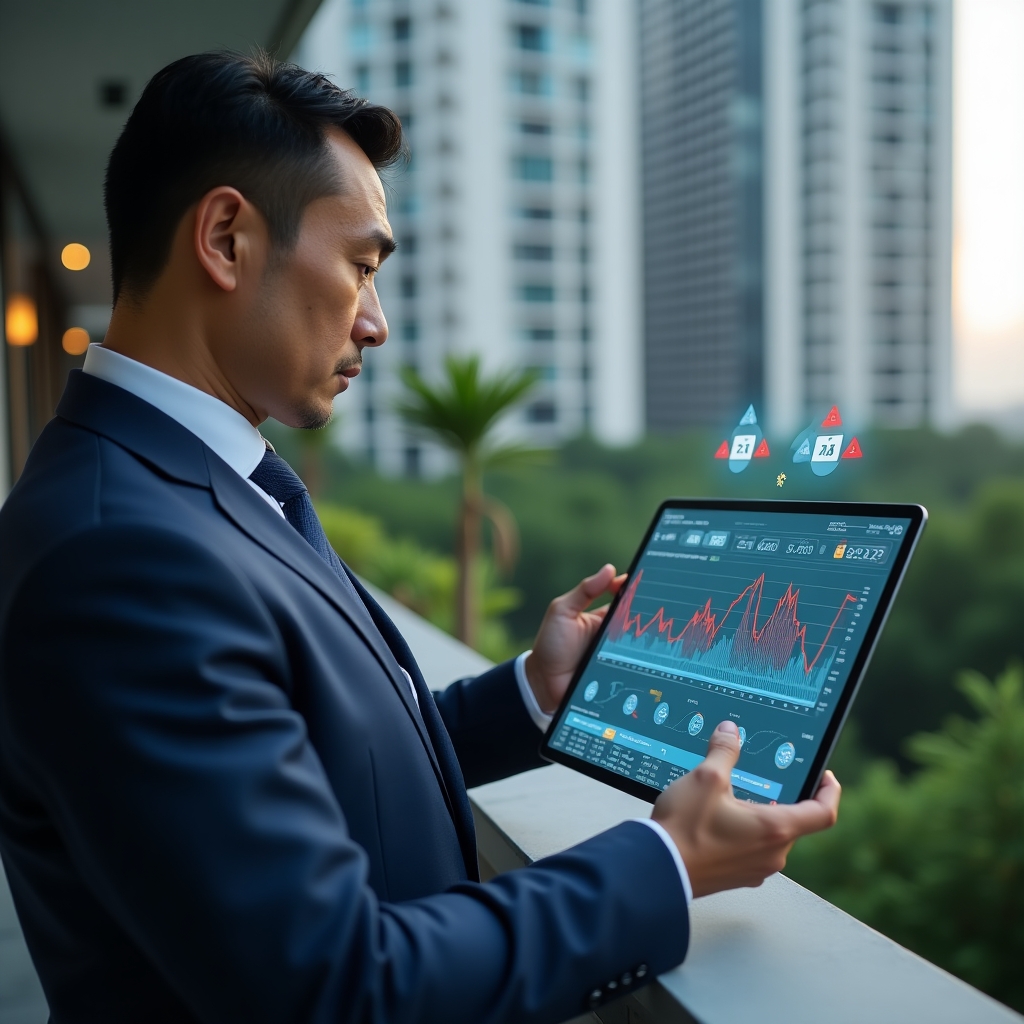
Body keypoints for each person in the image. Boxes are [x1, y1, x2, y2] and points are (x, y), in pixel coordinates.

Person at [0, 52, 840, 1023]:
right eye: (360, 266)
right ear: (226, 238)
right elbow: (332, 984)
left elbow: (313, 757)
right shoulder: (117, 557)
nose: (377, 322)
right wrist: (666, 862)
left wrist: (532, 695)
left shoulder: (178, 488)